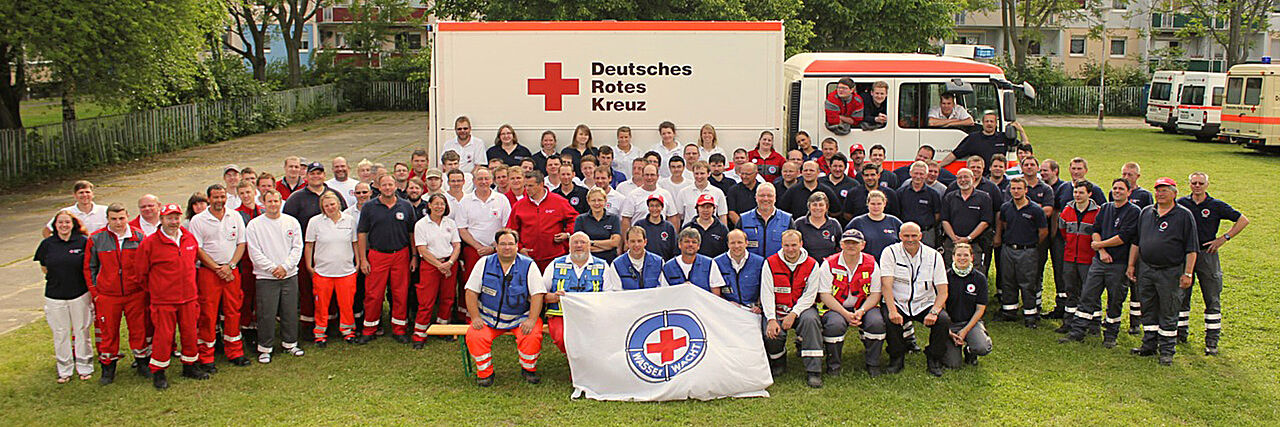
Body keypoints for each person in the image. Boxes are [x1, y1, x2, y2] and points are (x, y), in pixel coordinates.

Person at [1060, 178, 1138, 348]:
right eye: (1115, 188)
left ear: (1129, 192)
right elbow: (1096, 229)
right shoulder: (1106, 208)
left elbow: (1124, 237)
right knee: (1087, 295)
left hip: (1119, 263)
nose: (1117, 191)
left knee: (1115, 300)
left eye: (1121, 189)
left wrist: (1099, 245)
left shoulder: (1133, 211)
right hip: (1100, 260)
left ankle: (1110, 336)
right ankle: (1077, 332)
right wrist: (1101, 251)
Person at [1176, 172, 1248, 354]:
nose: (1197, 186)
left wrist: (1223, 238)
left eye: (1201, 183)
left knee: (1212, 296)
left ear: (1207, 185)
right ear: (1189, 185)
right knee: (1182, 295)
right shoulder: (1182, 204)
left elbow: (1242, 220)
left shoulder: (1215, 205)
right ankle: (1180, 334)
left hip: (1207, 254)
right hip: (1185, 255)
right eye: (1194, 183)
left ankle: (1212, 341)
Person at [1128, 177, 1198, 366]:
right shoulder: (1146, 212)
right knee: (1148, 308)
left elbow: (1191, 248)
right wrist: (1131, 265)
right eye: (1158, 190)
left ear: (1174, 193)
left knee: (1168, 309)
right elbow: (1136, 241)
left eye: (1164, 190)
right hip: (1146, 269)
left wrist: (1188, 273)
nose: (1160, 193)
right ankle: (1149, 345)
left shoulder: (1183, 215)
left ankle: (1167, 350)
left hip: (1171, 271)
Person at [137, 203, 208, 389]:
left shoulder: (188, 238)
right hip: (164, 300)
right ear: (161, 219)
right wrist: (158, 290)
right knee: (163, 337)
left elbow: (192, 263)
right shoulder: (150, 243)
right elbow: (141, 273)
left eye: (176, 217)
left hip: (189, 297)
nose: (173, 221)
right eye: (169, 218)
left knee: (190, 333)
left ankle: (190, 365)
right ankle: (159, 372)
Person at [463, 229, 545, 386]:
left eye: (510, 244)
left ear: (516, 246)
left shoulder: (529, 265)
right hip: (487, 318)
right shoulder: (484, 263)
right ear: (496, 246)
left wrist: (531, 320)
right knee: (475, 337)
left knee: (532, 336)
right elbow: (471, 292)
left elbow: (537, 295)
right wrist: (475, 317)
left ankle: (528, 369)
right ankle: (485, 373)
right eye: (503, 244)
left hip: (519, 317)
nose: (507, 247)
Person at [85, 204, 151, 384]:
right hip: (108, 295)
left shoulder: (138, 236)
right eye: (113, 219)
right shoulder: (97, 238)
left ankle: (142, 363)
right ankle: (108, 368)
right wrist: (95, 292)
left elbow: (146, 265)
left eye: (121, 218)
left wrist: (143, 289)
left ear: (127, 217)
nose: (118, 222)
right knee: (108, 333)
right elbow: (89, 267)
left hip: (134, 294)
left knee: (139, 329)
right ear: (107, 219)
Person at [187, 184, 250, 373]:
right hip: (209, 273)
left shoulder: (235, 216)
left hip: (231, 271)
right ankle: (206, 356)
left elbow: (241, 243)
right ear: (209, 199)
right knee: (208, 314)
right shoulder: (198, 220)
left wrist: (230, 266)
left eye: (222, 197)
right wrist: (216, 268)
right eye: (215, 197)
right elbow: (198, 249)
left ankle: (235, 352)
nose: (220, 201)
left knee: (233, 311)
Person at [284, 162, 349, 338]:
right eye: (312, 174)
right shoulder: (296, 198)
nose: (316, 176)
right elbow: (287, 224)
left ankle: (333, 323)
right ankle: (308, 325)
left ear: (323, 175)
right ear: (306, 176)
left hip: (333, 252)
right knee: (308, 291)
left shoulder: (335, 195)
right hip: (308, 251)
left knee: (334, 292)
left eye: (319, 173)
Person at [878, 222, 951, 377]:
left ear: (920, 236)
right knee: (890, 320)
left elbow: (943, 291)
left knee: (943, 320)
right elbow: (886, 285)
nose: (910, 239)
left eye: (914, 236)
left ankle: (934, 357)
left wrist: (934, 311)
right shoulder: (890, 252)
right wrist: (892, 310)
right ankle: (896, 357)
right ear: (899, 236)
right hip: (898, 302)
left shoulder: (934, 256)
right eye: (906, 236)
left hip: (924, 303)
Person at [813, 229, 887, 376]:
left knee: (876, 323)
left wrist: (862, 311)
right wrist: (845, 314)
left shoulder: (871, 263)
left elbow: (875, 293)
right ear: (841, 244)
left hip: (864, 306)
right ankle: (834, 365)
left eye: (855, 243)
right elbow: (825, 294)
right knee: (835, 325)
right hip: (836, 308)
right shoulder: (828, 264)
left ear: (863, 245)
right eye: (847, 243)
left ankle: (873, 363)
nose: (851, 246)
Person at [246, 190, 305, 363]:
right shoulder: (255, 225)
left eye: (276, 201)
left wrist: (286, 267)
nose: (273, 204)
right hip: (266, 277)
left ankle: (290, 343)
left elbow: (297, 247)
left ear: (281, 202)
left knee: (290, 311)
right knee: (266, 313)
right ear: (263, 203)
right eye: (269, 201)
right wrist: (273, 269)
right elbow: (255, 252)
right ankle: (265, 348)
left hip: (289, 274)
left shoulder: (291, 222)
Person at [356, 174, 416, 344]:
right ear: (378, 187)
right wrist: (363, 259)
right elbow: (362, 233)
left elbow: (412, 233)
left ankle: (399, 329)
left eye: (390, 184)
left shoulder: (405, 206)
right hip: (377, 255)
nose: (388, 188)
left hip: (401, 254)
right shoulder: (369, 206)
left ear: (396, 186)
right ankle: (369, 329)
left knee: (400, 293)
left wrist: (413, 257)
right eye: (384, 185)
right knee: (373, 294)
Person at [35, 210, 94, 383]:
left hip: (79, 294)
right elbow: (44, 266)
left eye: (67, 222)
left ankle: (85, 366)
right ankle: (65, 369)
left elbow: (90, 265)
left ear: (73, 224)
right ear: (55, 225)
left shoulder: (83, 241)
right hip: (55, 295)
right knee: (60, 332)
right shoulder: (47, 244)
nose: (64, 225)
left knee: (82, 330)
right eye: (60, 223)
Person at [760, 230, 824, 387]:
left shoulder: (812, 264)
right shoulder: (770, 263)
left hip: (802, 309)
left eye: (794, 245)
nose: (790, 249)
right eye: (786, 245)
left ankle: (814, 371)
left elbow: (810, 295)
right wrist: (771, 319)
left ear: (801, 244)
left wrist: (794, 313)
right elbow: (766, 292)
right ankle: (778, 361)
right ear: (781, 245)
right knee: (771, 333)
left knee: (811, 321)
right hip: (777, 309)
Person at [304, 193, 359, 346]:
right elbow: (309, 245)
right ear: (322, 207)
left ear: (338, 204)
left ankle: (348, 331)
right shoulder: (315, 222)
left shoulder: (349, 220)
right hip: (323, 272)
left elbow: (355, 243)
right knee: (321, 305)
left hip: (346, 271)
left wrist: (358, 263)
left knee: (347, 304)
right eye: (326, 205)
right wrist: (309, 265)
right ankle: (320, 334)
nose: (330, 208)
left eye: (332, 204)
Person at [541, 232, 608, 354]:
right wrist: (553, 297)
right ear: (569, 245)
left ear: (589, 245)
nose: (579, 245)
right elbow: (540, 294)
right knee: (562, 339)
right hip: (561, 315)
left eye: (583, 242)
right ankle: (573, 359)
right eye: (575, 242)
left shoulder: (602, 266)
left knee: (593, 340)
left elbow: (610, 295)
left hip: (591, 315)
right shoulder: (555, 264)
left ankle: (585, 361)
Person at [994, 177, 1048, 328]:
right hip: (1009, 249)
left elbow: (1043, 231)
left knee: (1028, 283)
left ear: (1026, 190)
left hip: (1028, 251)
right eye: (1013, 188)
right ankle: (1009, 312)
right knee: (1008, 280)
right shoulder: (1006, 207)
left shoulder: (1036, 210)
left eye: (1019, 188)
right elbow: (1004, 223)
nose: (1016, 191)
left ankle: (1030, 315)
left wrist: (1031, 243)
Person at [411, 194, 461, 349]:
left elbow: (457, 245)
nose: (440, 207)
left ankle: (442, 329)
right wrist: (439, 266)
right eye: (436, 204)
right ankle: (420, 333)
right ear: (430, 205)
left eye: (443, 204)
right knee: (426, 301)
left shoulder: (450, 223)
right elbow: (422, 249)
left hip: (449, 263)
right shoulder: (421, 224)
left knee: (448, 298)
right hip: (430, 265)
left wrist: (450, 262)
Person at [507, 170, 578, 269]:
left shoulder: (559, 201)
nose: (527, 189)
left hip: (555, 256)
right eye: (525, 186)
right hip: (528, 258)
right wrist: (520, 248)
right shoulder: (519, 205)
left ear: (541, 184)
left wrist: (567, 234)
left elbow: (575, 219)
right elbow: (511, 230)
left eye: (531, 186)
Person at [1055, 181, 1099, 334]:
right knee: (1070, 290)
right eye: (1075, 192)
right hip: (1070, 257)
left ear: (1089, 194)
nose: (1077, 196)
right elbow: (1062, 230)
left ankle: (1094, 323)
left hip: (1088, 259)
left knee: (1090, 291)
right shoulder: (1067, 210)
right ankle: (1069, 322)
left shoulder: (1097, 212)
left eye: (1081, 192)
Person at [942, 243, 992, 368]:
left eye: (966, 255)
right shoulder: (945, 277)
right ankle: (952, 347)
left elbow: (980, 309)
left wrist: (965, 331)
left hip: (971, 322)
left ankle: (970, 350)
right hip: (950, 324)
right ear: (953, 257)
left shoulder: (979, 278)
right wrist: (947, 330)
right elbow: (941, 308)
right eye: (958, 255)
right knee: (953, 364)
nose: (962, 258)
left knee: (982, 348)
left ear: (972, 257)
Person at [941, 168, 994, 271]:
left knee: (975, 272)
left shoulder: (984, 198)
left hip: (975, 244)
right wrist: (954, 239)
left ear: (973, 179)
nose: (963, 180)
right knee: (950, 272)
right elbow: (944, 220)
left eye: (966, 177)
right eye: (960, 177)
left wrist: (969, 238)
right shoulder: (949, 197)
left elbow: (985, 222)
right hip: (952, 244)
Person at [941, 112, 1023, 177]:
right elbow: (954, 154)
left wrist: (1021, 131)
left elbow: (1025, 147)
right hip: (979, 176)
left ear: (996, 124)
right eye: (987, 121)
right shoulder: (973, 138)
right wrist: (938, 166)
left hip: (997, 176)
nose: (989, 124)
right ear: (983, 123)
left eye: (992, 121)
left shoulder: (1003, 137)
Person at [660, 228, 724, 294]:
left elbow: (716, 295)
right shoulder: (668, 267)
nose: (690, 244)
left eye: (694, 242)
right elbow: (665, 293)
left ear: (698, 246)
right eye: (687, 241)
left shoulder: (710, 264)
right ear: (679, 244)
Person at [713, 229, 765, 309]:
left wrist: (759, 306)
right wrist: (726, 303)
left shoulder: (760, 262)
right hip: (727, 309)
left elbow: (765, 289)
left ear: (746, 243)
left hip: (753, 311)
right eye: (733, 243)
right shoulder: (716, 263)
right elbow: (714, 292)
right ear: (728, 244)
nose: (736, 246)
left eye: (740, 242)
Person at [739, 183, 793, 258]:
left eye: (770, 196)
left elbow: (794, 247)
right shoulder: (743, 219)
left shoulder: (787, 219)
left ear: (775, 198)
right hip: (751, 266)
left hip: (777, 266)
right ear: (756, 197)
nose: (766, 199)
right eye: (762, 195)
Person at [604, 226, 665, 291]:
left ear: (645, 242)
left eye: (639, 241)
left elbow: (663, 289)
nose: (636, 245)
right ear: (627, 243)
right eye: (632, 241)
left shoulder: (659, 262)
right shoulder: (616, 265)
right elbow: (617, 292)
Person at [896, 161, 942, 247]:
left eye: (921, 174)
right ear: (910, 173)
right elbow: (897, 213)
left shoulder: (933, 194)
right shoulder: (900, 192)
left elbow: (937, 215)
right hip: (906, 234)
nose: (918, 176)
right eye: (915, 173)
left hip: (926, 234)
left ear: (926, 175)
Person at [848, 190, 904, 261]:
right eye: (873, 204)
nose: (876, 207)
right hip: (866, 264)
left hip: (891, 264)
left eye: (879, 204)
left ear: (884, 204)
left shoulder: (895, 222)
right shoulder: (857, 223)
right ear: (867, 204)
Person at [620, 164, 677, 231]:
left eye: (652, 175)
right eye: (647, 175)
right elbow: (626, 220)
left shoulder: (666, 194)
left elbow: (672, 218)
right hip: (638, 238)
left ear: (658, 176)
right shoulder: (633, 195)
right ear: (642, 176)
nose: (649, 178)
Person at [574, 188, 622, 263]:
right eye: (593, 200)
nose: (597, 203)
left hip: (609, 260)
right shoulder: (580, 219)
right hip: (587, 261)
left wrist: (592, 242)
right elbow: (580, 246)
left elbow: (615, 243)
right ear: (588, 201)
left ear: (605, 201)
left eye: (600, 200)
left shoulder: (614, 218)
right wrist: (607, 246)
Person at [674, 161, 728, 225]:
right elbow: (678, 217)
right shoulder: (683, 192)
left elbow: (722, 216)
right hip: (689, 231)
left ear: (708, 174)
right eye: (696, 173)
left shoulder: (718, 192)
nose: (699, 177)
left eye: (702, 173)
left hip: (711, 230)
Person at [794, 192, 842, 260]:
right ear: (809, 207)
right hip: (806, 265)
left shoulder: (834, 224)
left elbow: (841, 246)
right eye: (814, 205)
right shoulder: (799, 224)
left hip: (829, 266)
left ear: (826, 207)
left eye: (821, 205)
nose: (818, 208)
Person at [636, 195, 678, 259]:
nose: (654, 209)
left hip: (664, 264)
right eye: (652, 206)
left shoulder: (669, 227)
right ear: (648, 207)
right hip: (644, 264)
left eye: (657, 206)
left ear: (662, 208)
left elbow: (674, 249)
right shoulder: (640, 225)